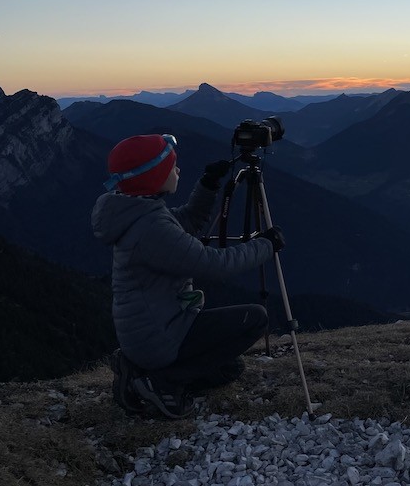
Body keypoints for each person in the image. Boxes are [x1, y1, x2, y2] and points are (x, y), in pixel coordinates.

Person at [92, 134, 286, 418]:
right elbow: (213, 265)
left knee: (228, 370)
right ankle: (159, 382)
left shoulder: (139, 211)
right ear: (155, 177)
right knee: (255, 319)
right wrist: (266, 245)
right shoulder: (151, 229)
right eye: (172, 167)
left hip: (153, 331)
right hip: (159, 337)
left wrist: (208, 185)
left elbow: (188, 222)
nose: (178, 171)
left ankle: (137, 369)